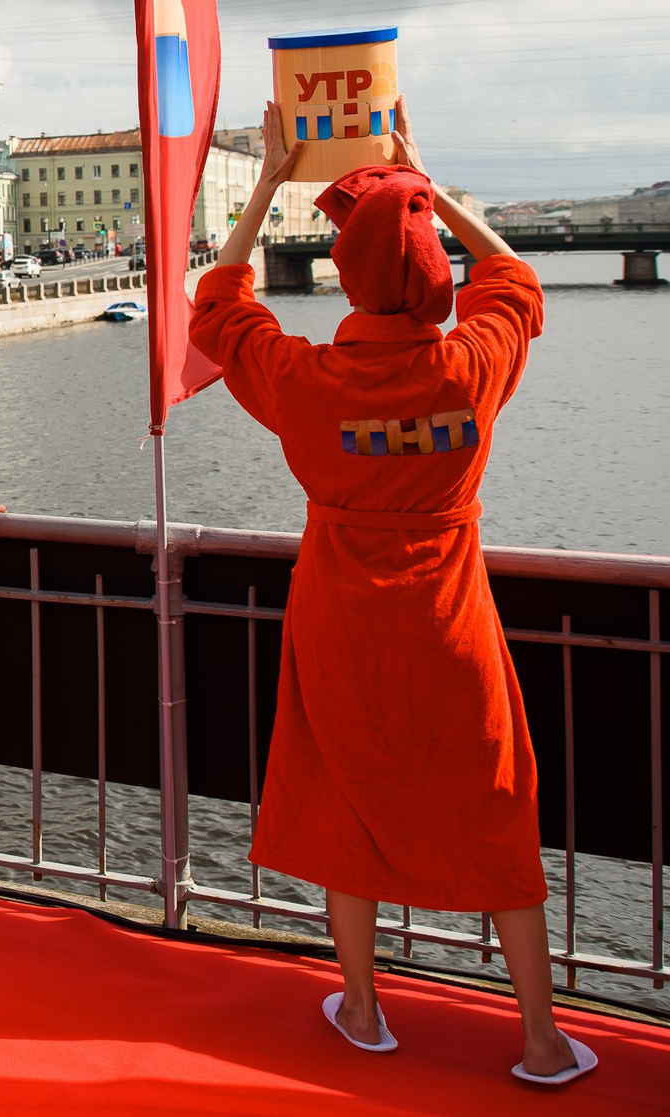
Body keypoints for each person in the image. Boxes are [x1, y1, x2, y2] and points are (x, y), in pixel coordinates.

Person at [191, 102, 590, 1087]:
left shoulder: (309, 380)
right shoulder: (467, 365)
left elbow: (220, 308)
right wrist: (427, 190)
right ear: (435, 279)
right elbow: (516, 279)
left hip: (340, 615)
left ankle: (364, 1006)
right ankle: (540, 1038)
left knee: (345, 796)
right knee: (494, 804)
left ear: (345, 276)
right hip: (450, 618)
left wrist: (266, 182)